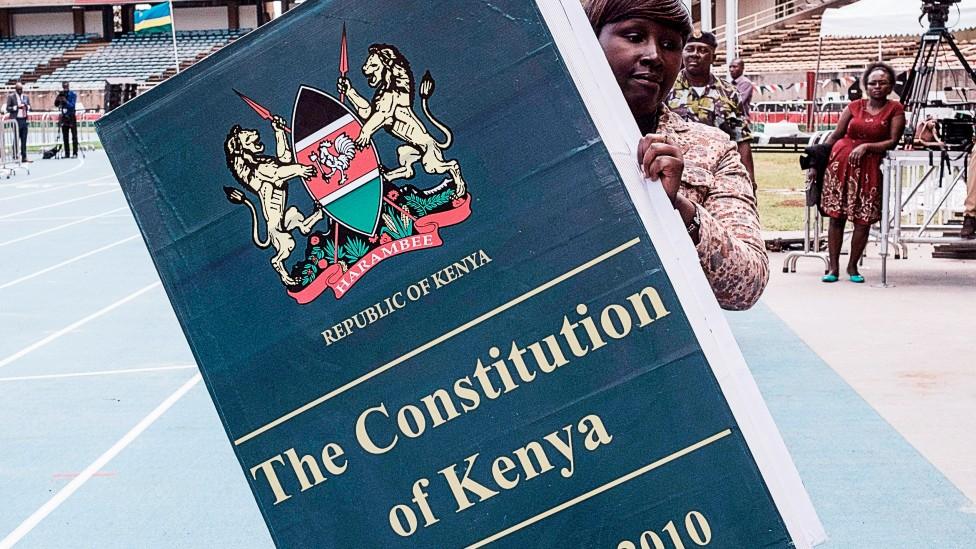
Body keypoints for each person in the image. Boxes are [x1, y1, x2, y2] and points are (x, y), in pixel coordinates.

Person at [585, 0, 768, 310]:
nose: (654, 56)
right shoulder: (544, 137)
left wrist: (679, 210)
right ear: (589, 40)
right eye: (634, 36)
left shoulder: (712, 148)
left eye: (670, 45)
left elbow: (747, 286)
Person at [820, 62, 905, 283]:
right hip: (840, 166)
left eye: (882, 83)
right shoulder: (854, 106)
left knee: (862, 219)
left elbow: (893, 141)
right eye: (872, 83)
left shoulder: (895, 109)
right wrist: (818, 159)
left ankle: (852, 266)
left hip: (869, 168)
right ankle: (833, 267)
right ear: (866, 85)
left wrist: (867, 147)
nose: (877, 86)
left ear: (890, 86)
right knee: (836, 217)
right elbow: (836, 134)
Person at [665, 31, 755, 185]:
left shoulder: (729, 93)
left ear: (714, 57)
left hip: (720, 174)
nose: (695, 54)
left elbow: (742, 139)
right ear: (682, 54)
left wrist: (750, 181)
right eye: (690, 49)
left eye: (703, 50)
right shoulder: (666, 88)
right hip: (677, 175)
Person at [5, 82, 31, 163]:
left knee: (24, 139)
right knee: (16, 138)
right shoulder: (11, 97)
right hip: (15, 120)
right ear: (16, 89)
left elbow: (30, 106)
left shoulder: (25, 97)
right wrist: (17, 107)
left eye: (21, 89)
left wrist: (26, 106)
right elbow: (7, 108)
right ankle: (15, 155)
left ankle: (24, 157)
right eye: (18, 89)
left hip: (24, 119)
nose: (20, 91)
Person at [54, 81, 79, 158]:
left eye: (66, 86)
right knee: (65, 136)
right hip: (64, 117)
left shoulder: (72, 94)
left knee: (74, 136)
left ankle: (75, 153)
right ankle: (67, 153)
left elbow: (72, 105)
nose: (65, 88)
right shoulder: (61, 94)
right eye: (64, 86)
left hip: (71, 116)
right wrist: (58, 98)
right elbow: (56, 104)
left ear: (68, 86)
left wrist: (66, 101)